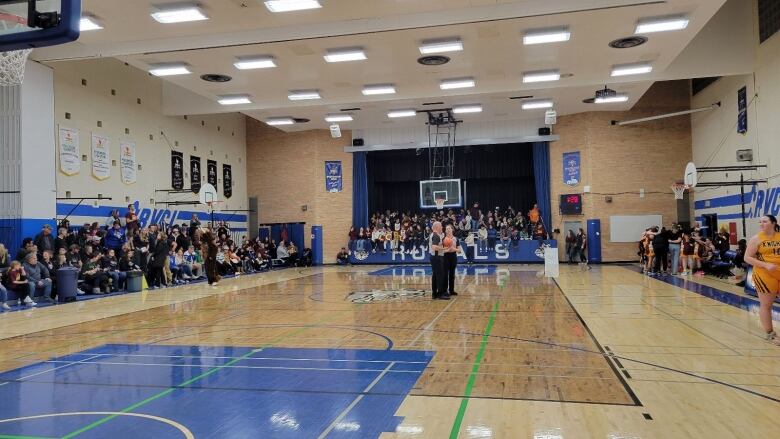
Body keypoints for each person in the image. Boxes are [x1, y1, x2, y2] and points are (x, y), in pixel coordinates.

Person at [743, 215, 780, 345]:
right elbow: (747, 258)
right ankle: (770, 333)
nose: (761, 224)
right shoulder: (756, 239)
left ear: (774, 223)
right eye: (760, 222)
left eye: (764, 221)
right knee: (766, 305)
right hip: (764, 274)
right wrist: (766, 265)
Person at [428, 221, 448, 300]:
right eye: (441, 226)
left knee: (435, 275)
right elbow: (434, 247)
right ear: (437, 227)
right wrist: (443, 248)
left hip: (434, 257)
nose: (442, 228)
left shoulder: (433, 235)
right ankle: (440, 294)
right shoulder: (436, 235)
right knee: (440, 275)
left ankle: (434, 293)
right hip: (437, 257)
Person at [443, 225, 461, 297]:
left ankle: (451, 290)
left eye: (449, 228)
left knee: (452, 274)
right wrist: (447, 250)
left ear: (452, 229)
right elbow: (441, 250)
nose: (448, 230)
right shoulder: (443, 239)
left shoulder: (456, 239)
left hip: (453, 256)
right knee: (445, 275)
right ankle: (445, 291)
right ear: (445, 231)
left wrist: (454, 249)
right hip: (445, 256)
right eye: (446, 229)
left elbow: (459, 250)